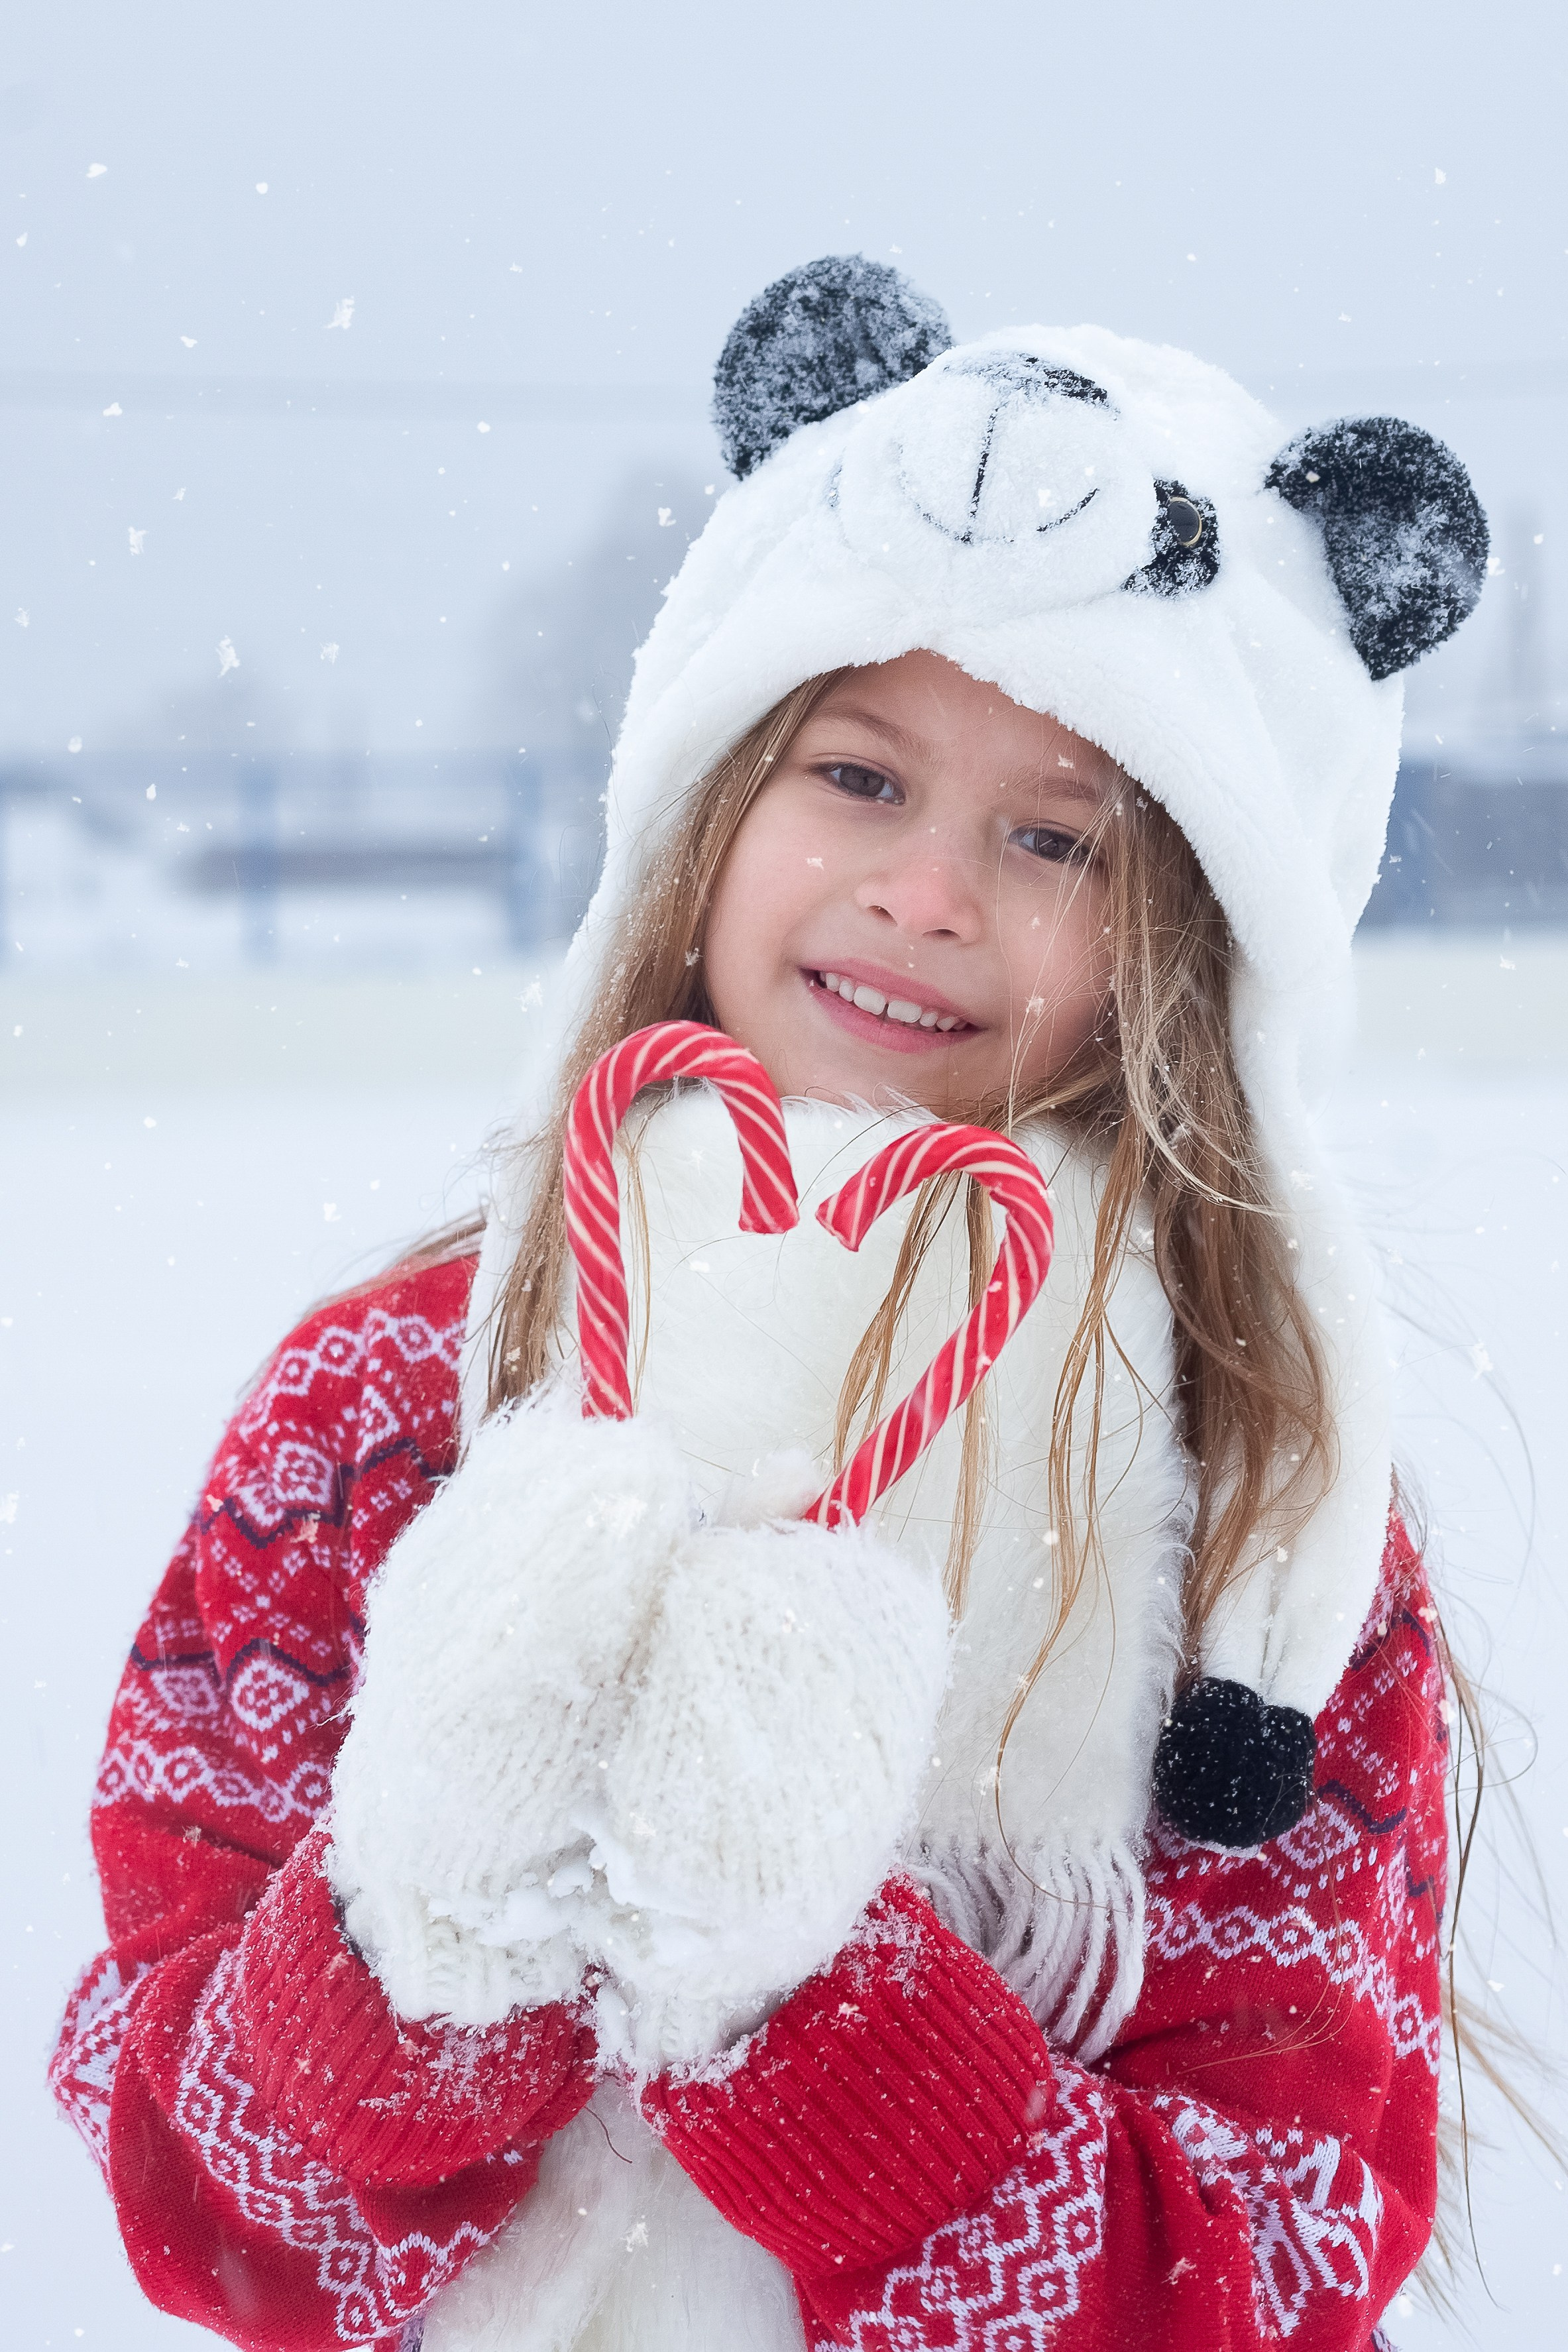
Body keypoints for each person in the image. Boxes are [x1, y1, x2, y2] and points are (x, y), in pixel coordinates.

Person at [51, 256, 1489, 2351]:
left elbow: (1267, 2270)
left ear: (1192, 951)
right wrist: (424, 1929)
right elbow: (202, 2202)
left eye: (1059, 840)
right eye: (859, 778)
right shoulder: (387, 1407)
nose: (927, 893)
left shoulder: (1259, 1544)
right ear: (709, 805)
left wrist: (803, 1994)